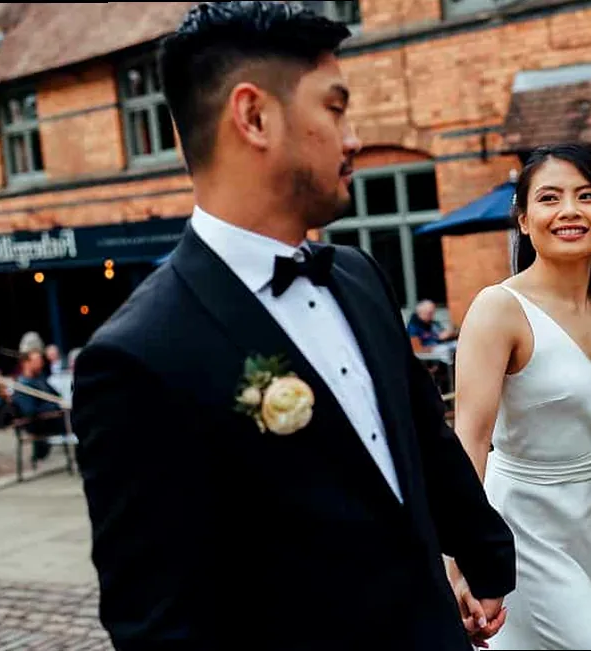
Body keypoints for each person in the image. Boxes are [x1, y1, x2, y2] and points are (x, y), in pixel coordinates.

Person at [70, 3, 515, 650]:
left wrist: (484, 555)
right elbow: (159, 624)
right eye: (334, 108)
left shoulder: (359, 275)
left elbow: (420, 432)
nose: (353, 136)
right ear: (254, 117)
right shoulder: (137, 357)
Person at [449, 144, 591, 649]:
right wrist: (458, 562)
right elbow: (470, 440)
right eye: (550, 198)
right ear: (524, 221)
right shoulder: (499, 308)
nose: (570, 210)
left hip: (589, 526)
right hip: (521, 529)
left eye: (586, 195)